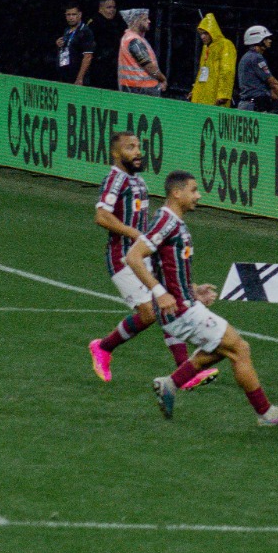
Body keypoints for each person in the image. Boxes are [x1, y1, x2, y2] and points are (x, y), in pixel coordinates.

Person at [132, 172, 278, 427]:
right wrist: (161, 293)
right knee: (239, 349)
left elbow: (164, 264)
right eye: (193, 190)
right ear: (177, 193)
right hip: (179, 310)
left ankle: (171, 383)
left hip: (182, 304)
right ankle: (266, 413)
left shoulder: (171, 221)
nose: (198, 195)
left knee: (220, 349)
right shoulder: (166, 222)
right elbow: (134, 257)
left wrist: (192, 290)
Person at [87, 132, 214, 386]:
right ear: (115, 154)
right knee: (149, 311)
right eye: (130, 147)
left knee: (166, 307)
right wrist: (135, 234)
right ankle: (103, 347)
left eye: (138, 147)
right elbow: (102, 216)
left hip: (145, 256)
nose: (137, 152)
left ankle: (185, 371)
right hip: (123, 258)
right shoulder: (115, 179)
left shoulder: (138, 181)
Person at [234, 26, 278, 114]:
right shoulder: (256, 58)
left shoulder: (246, 57)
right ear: (258, 40)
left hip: (246, 104)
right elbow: (273, 83)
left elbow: (261, 89)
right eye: (266, 38)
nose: (270, 41)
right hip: (255, 106)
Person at [189, 13, 235, 107]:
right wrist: (194, 92)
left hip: (216, 96)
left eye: (205, 33)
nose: (202, 37)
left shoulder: (225, 45)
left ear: (212, 31)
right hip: (203, 95)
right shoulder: (206, 47)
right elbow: (201, 72)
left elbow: (227, 71)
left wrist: (223, 94)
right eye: (201, 34)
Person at [117, 8, 166, 95]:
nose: (149, 21)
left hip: (137, 86)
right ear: (136, 21)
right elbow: (148, 65)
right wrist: (162, 78)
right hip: (140, 87)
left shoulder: (134, 38)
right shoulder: (133, 40)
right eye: (144, 19)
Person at [87, 0, 126, 89]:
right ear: (100, 9)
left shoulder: (118, 22)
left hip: (115, 66)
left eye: (114, 7)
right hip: (99, 66)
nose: (112, 10)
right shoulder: (94, 23)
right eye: (109, 7)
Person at [54, 2, 94, 86]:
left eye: (73, 14)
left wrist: (79, 78)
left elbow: (88, 57)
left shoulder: (85, 32)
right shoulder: (67, 30)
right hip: (65, 75)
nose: (71, 17)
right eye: (68, 15)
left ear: (79, 15)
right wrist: (59, 44)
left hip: (77, 78)